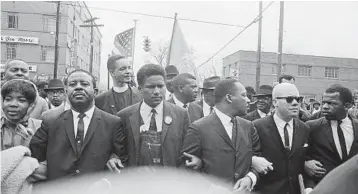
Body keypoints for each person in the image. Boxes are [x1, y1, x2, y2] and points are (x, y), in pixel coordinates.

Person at [30, 69, 127, 180]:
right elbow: (34, 155)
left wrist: (114, 157)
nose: (78, 87)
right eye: (72, 84)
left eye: (84, 84)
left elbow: (122, 157)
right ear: (66, 92)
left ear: (95, 91)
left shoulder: (113, 123)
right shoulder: (51, 122)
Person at [181, 78, 259, 192]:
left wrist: (250, 178)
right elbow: (185, 168)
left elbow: (258, 159)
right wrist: (209, 188)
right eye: (243, 95)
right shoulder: (198, 129)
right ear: (228, 98)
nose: (248, 100)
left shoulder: (248, 127)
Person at [116, 64, 196, 168]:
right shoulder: (124, 116)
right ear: (140, 89)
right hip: (136, 180)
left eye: (160, 86)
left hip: (169, 180)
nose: (157, 92)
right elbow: (119, 152)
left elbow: (186, 152)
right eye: (151, 87)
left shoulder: (181, 114)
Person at [252, 83, 310, 194]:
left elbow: (304, 161)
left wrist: (308, 188)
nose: (295, 103)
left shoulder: (304, 128)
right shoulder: (257, 127)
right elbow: (247, 156)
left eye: (298, 99)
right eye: (289, 99)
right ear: (275, 102)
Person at [304, 84, 358, 193]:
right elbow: (299, 155)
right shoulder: (311, 127)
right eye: (324, 102)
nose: (325, 106)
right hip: (322, 188)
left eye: (331, 103)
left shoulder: (356, 126)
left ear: (347, 106)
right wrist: (304, 164)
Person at [1, 79, 42, 150]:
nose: (13, 104)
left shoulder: (40, 128)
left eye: (21, 100)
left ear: (31, 105)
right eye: (8, 99)